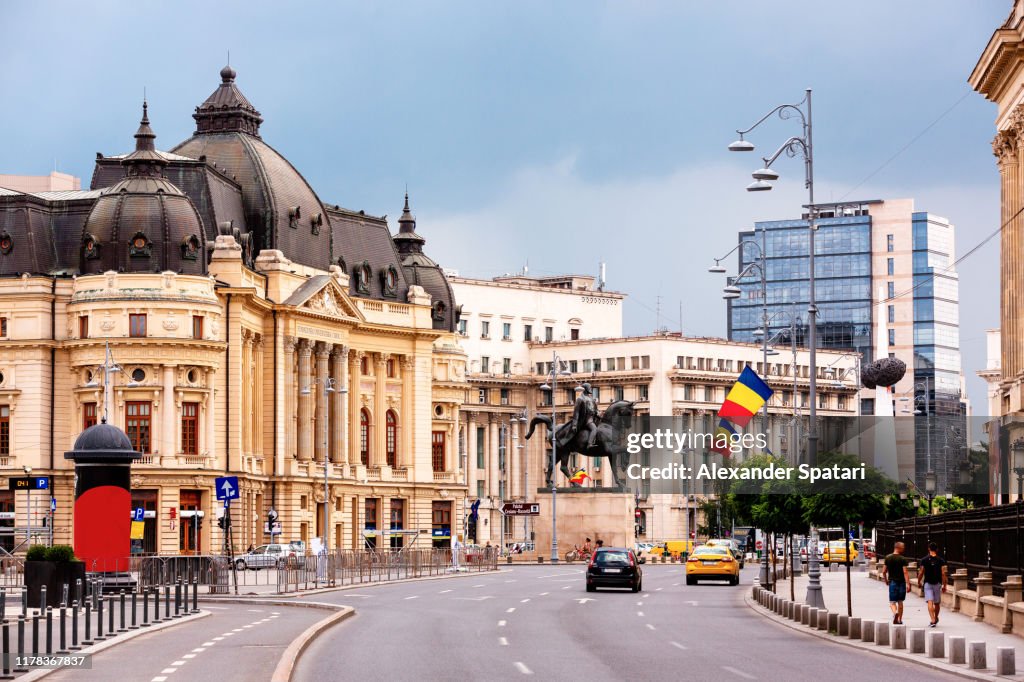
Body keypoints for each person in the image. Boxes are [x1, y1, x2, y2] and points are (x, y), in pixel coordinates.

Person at [918, 542, 948, 627]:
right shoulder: (941, 560)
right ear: (937, 549)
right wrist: (944, 585)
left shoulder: (924, 560)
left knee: (930, 602)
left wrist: (919, 581)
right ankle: (936, 617)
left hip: (927, 583)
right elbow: (943, 573)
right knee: (937, 603)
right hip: (937, 583)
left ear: (928, 549)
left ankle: (932, 619)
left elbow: (921, 572)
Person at [881, 541, 910, 624]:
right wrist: (908, 583)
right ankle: (900, 619)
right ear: (898, 548)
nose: (904, 548)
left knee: (892, 602)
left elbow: (883, 571)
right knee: (900, 601)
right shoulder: (903, 559)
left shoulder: (888, 557)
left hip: (892, 582)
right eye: (903, 547)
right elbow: (905, 572)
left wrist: (886, 580)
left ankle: (895, 613)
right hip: (901, 582)